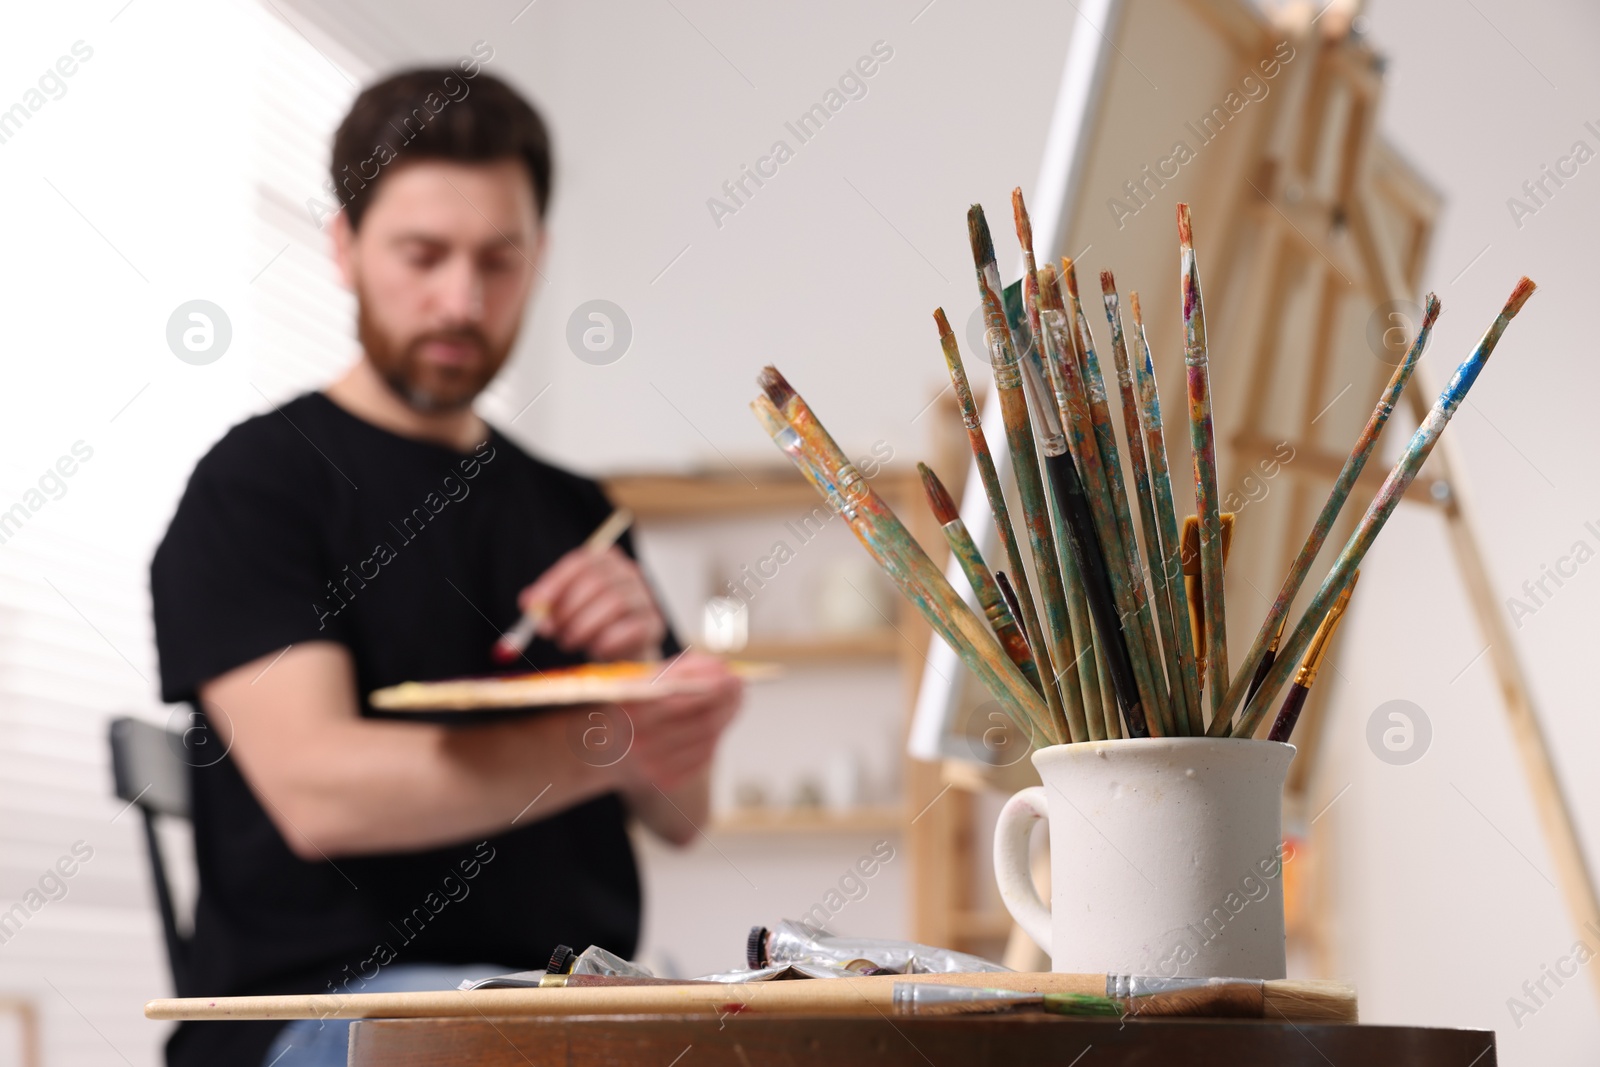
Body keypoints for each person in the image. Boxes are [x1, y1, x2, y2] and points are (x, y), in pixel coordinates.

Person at [149, 67, 742, 1067]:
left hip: (567, 999)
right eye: (421, 255)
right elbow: (321, 792)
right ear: (342, 244)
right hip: (326, 1009)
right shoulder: (256, 484)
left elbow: (684, 815)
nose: (461, 300)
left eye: (498, 262)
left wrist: (642, 668)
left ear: (539, 256)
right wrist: (607, 738)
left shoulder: (577, 512)